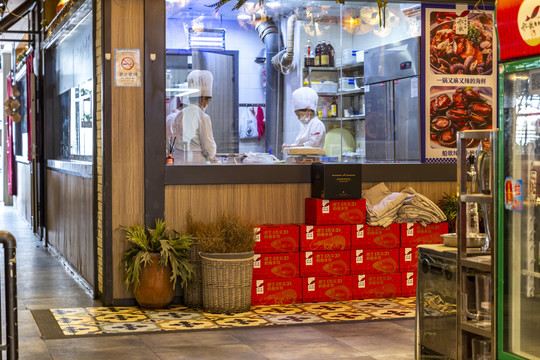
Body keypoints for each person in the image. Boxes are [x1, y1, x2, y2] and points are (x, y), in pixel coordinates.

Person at [167, 70, 218, 164]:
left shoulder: (180, 114)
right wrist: (212, 157)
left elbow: (172, 140)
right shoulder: (203, 117)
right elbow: (208, 147)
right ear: (204, 99)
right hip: (196, 164)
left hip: (178, 161)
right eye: (208, 100)